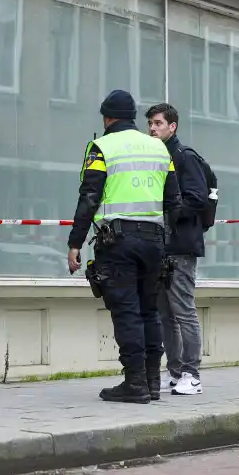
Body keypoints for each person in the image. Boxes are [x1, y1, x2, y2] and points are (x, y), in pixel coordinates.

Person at [67, 90, 182, 403]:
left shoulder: (102, 147)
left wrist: (75, 243)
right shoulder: (159, 149)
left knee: (127, 312)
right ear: (133, 117)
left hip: (118, 242)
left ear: (107, 117)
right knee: (150, 312)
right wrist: (166, 243)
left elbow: (89, 197)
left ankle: (134, 383)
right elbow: (174, 201)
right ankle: (152, 382)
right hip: (154, 242)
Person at [145, 103, 207, 397]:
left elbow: (197, 198)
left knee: (183, 311)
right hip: (162, 246)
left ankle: (192, 375)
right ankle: (175, 371)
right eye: (150, 124)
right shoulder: (159, 157)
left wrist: (170, 212)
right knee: (165, 313)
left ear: (173, 127)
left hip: (180, 246)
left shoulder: (183, 157)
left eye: (158, 123)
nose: (153, 128)